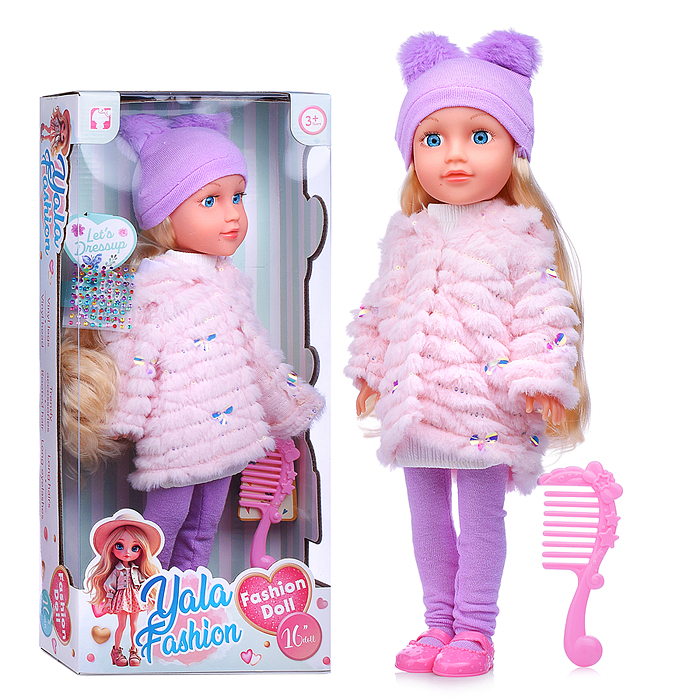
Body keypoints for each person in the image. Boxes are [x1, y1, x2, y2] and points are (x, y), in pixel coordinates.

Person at [346, 30, 589, 677]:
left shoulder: (520, 237)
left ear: (516, 151)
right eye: (433, 139)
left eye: (479, 136)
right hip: (416, 405)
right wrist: (370, 371)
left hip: (484, 407)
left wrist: (541, 378)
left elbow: (543, 312)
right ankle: (436, 624)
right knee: (426, 521)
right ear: (411, 154)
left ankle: (475, 630)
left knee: (481, 522)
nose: (454, 155)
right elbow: (380, 308)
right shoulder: (408, 235)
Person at [63, 113, 324, 572]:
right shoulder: (152, 284)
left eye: (238, 198)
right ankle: (143, 592)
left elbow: (254, 350)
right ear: (165, 215)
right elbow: (135, 354)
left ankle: (188, 597)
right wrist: (124, 415)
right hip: (178, 433)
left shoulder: (229, 279)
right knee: (163, 525)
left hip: (231, 426)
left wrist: (285, 402)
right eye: (210, 200)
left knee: (204, 526)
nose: (233, 214)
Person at [85, 509, 163, 667]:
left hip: (135, 598)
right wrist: (109, 600)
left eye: (135, 548)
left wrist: (149, 595)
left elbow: (145, 584)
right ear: (111, 547)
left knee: (134, 625)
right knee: (121, 625)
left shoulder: (136, 570)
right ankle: (116, 651)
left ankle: (134, 650)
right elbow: (109, 585)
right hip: (121, 599)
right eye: (119, 546)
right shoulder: (117, 571)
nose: (127, 553)